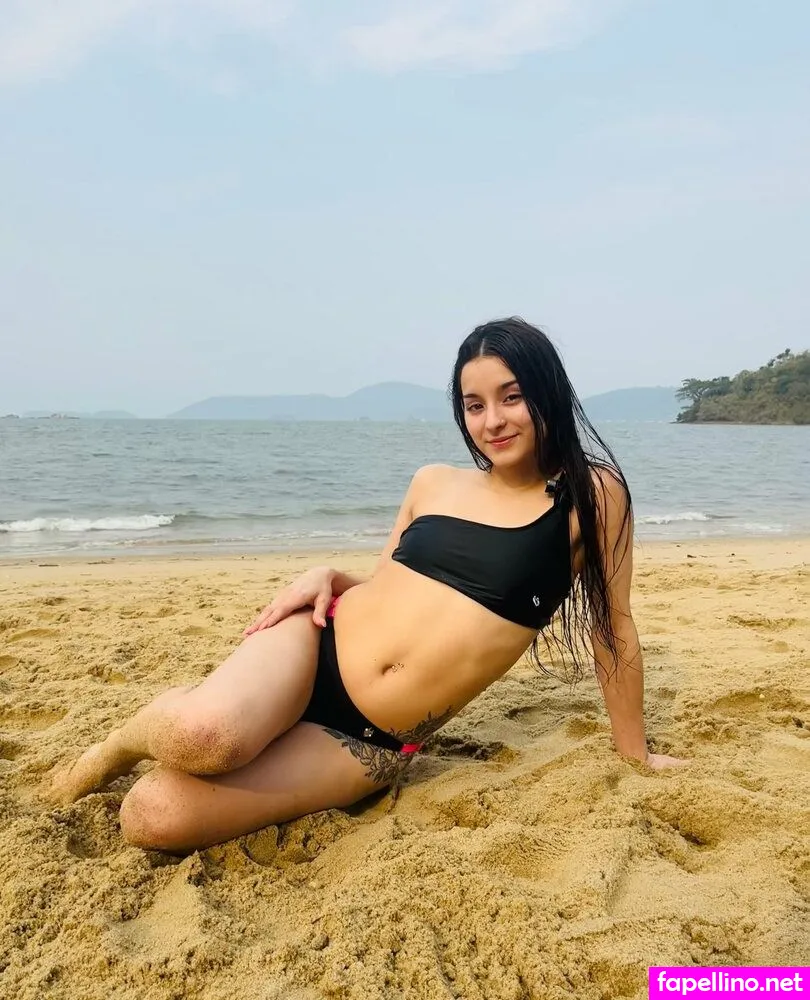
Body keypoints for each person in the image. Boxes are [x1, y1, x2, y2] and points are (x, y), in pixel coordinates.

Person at [50, 318, 686, 852]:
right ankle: (116, 746)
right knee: (204, 737)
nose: (492, 420)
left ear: (547, 391)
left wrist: (634, 751)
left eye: (511, 396)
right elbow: (388, 587)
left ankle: (189, 734)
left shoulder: (592, 495)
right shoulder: (433, 482)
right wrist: (330, 576)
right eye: (474, 405)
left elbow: (613, 625)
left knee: (150, 816)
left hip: (368, 741)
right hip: (314, 643)